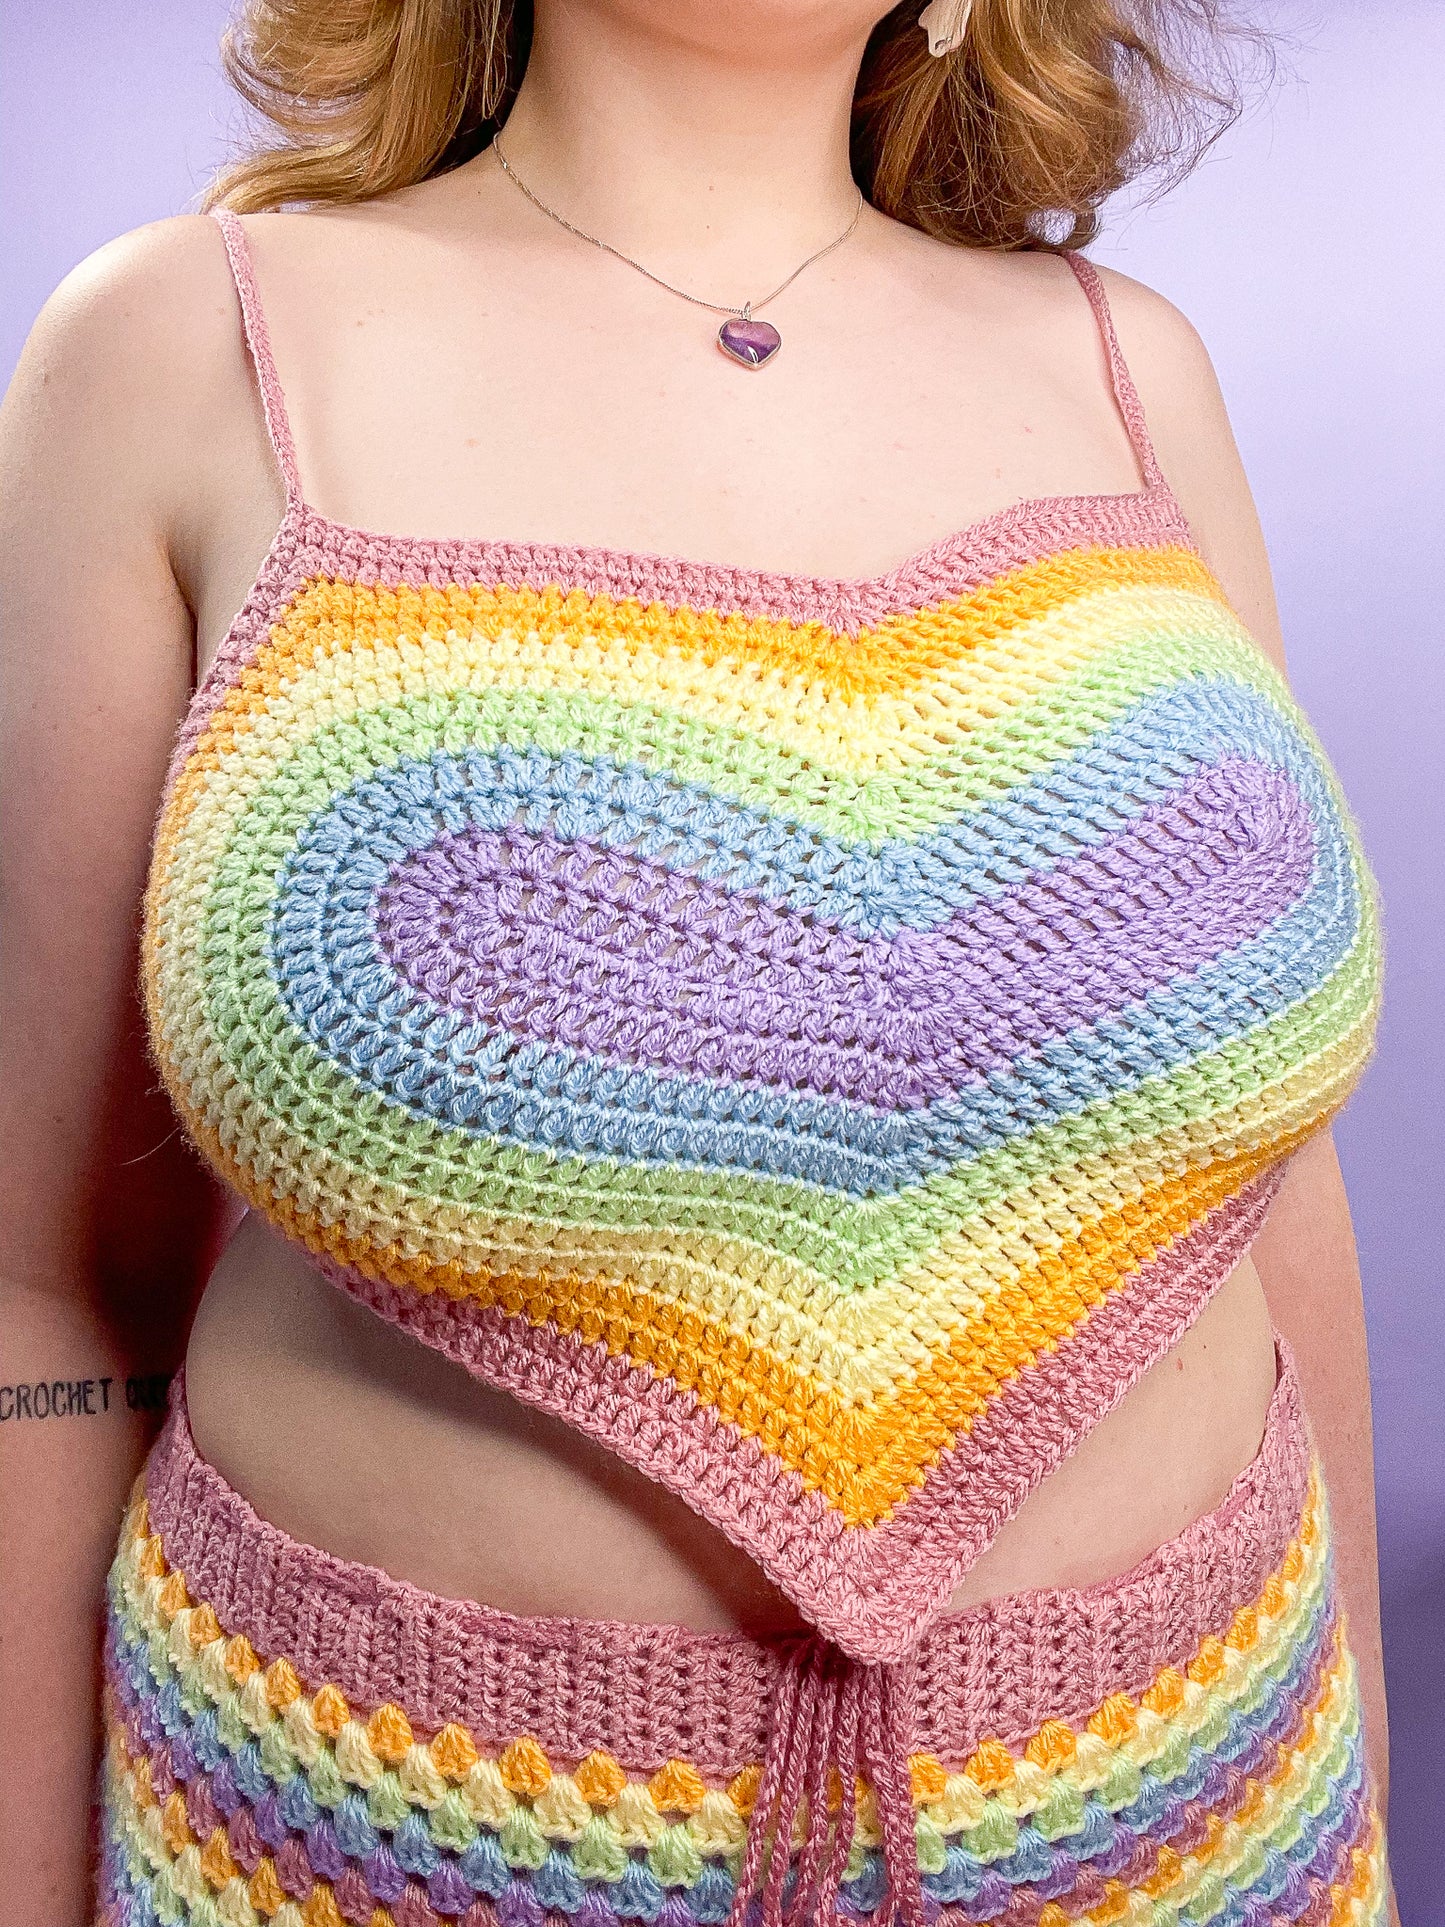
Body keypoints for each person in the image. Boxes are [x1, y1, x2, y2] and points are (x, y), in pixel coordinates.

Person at [0, 0, 1397, 1921]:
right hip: (373, 1832)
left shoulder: (1129, 366)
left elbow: (1260, 1182)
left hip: (1191, 1805)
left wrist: (1360, 1820)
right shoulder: (181, 348)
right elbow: (41, 1292)